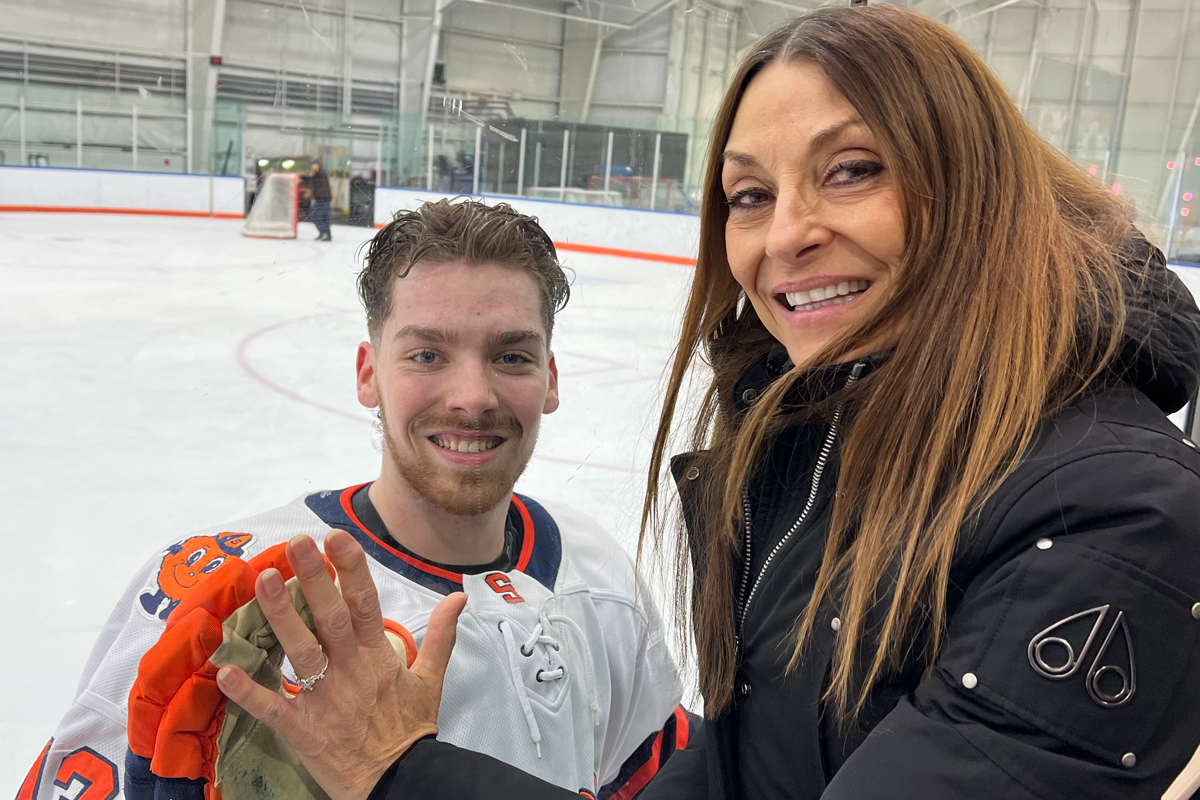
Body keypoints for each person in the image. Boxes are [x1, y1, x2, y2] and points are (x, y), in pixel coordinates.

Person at [201, 6, 1200, 800]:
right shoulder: (821, 447)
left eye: (851, 171)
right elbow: (746, 763)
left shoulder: (1112, 513)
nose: (784, 236)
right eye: (749, 194)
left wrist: (399, 768)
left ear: (977, 185)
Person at [15, 199, 694, 800]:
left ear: (549, 379)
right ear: (369, 376)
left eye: (511, 356)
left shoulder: (599, 579)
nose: (472, 397)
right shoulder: (229, 594)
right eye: (427, 355)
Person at [309, 160, 332, 241]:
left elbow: (314, 184)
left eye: (314, 164)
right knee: (323, 217)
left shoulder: (319, 174)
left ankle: (325, 233)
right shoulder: (320, 173)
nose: (313, 166)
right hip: (323, 198)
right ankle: (324, 233)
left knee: (318, 216)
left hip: (322, 198)